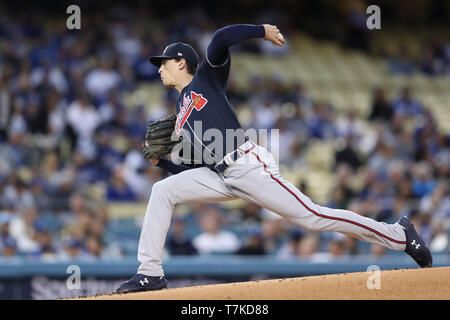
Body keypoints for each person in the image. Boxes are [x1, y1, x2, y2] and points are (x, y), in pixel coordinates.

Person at [116, 24, 432, 294]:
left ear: (181, 62)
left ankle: (399, 235)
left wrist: (262, 31)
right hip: (220, 175)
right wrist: (165, 165)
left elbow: (221, 38)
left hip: (246, 165)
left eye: (164, 63)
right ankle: (151, 273)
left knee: (314, 216)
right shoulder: (181, 108)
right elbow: (199, 163)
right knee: (163, 190)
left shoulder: (206, 81)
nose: (159, 68)